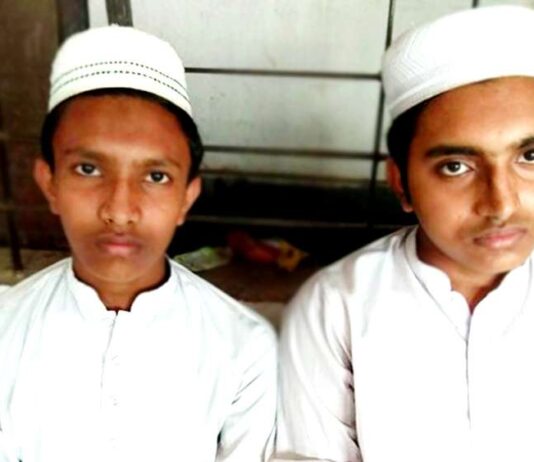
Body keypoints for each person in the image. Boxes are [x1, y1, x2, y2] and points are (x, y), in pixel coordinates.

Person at [0, 25, 276, 462]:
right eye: (88, 169)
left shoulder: (244, 346)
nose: (120, 210)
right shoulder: (7, 328)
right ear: (49, 182)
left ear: (186, 197)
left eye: (156, 176)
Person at [275, 5, 534, 462]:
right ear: (401, 183)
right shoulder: (336, 305)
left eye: (530, 158)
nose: (501, 204)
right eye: (456, 166)